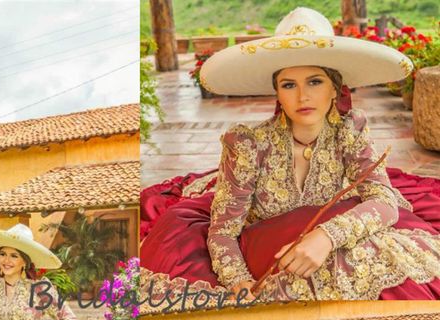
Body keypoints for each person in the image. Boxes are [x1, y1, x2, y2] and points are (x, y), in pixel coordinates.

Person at [140, 7, 440, 303]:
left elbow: (384, 200)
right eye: (288, 85)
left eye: (315, 81)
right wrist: (238, 281)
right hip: (267, 249)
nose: (302, 96)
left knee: (388, 259)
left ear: (335, 89)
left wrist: (327, 237)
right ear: (278, 93)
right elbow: (223, 233)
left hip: (331, 238)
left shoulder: (350, 130)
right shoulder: (247, 145)